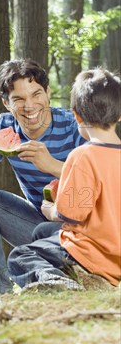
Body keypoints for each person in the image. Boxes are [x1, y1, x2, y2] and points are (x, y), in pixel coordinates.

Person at [0, 58, 87, 295]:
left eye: (36, 94)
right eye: (18, 99)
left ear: (48, 93)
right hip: (40, 227)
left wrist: (52, 165)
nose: (29, 106)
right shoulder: (4, 126)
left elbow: (102, 182)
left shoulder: (74, 126)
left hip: (83, 232)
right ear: (6, 104)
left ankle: (68, 274)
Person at [7, 68, 121, 290]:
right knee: (41, 232)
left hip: (91, 252)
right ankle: (83, 276)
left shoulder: (82, 156)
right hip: (116, 254)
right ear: (119, 114)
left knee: (20, 256)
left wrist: (50, 209)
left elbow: (71, 214)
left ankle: (61, 283)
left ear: (76, 115)